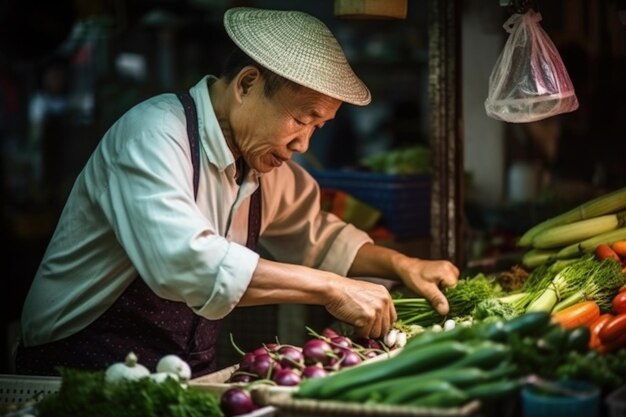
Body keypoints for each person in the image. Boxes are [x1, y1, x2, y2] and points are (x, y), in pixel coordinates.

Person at [16, 7, 459, 378]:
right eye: (301, 119)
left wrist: (403, 265)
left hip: (181, 373)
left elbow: (319, 236)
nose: (304, 143)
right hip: (77, 371)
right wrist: (330, 288)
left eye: (318, 127)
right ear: (247, 85)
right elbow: (183, 260)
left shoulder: (262, 161)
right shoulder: (152, 135)